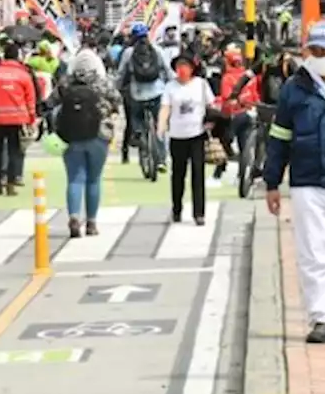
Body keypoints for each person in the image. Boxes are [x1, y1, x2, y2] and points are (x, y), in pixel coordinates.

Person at [266, 21, 325, 342]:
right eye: (314, 50)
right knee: (314, 253)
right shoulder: (294, 89)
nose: (319, 56)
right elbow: (279, 137)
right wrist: (271, 182)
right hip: (307, 182)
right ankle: (323, 317)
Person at [49, 51, 122, 238]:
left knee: (74, 178)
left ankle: (74, 217)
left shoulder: (65, 83)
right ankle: (91, 222)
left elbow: (49, 102)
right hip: (99, 135)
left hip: (70, 135)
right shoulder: (103, 83)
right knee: (94, 179)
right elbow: (117, 101)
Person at [158, 55, 213, 225]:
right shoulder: (170, 87)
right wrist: (161, 125)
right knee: (178, 175)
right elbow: (165, 108)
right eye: (179, 66)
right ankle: (176, 209)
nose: (182, 69)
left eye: (185, 66)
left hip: (197, 135)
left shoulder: (201, 85)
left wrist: (212, 122)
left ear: (192, 68)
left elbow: (211, 106)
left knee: (198, 174)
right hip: (177, 136)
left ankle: (199, 213)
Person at [0, 42, 38, 196]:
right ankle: (12, 184)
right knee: (14, 151)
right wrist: (31, 120)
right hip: (17, 119)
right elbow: (30, 100)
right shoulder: (24, 75)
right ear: (18, 56)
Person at [118, 23, 172, 169]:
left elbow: (122, 73)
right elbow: (167, 71)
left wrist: (117, 89)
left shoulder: (128, 53)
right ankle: (161, 159)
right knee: (159, 124)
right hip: (157, 92)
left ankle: (138, 134)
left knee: (136, 116)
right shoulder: (157, 50)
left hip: (137, 93)